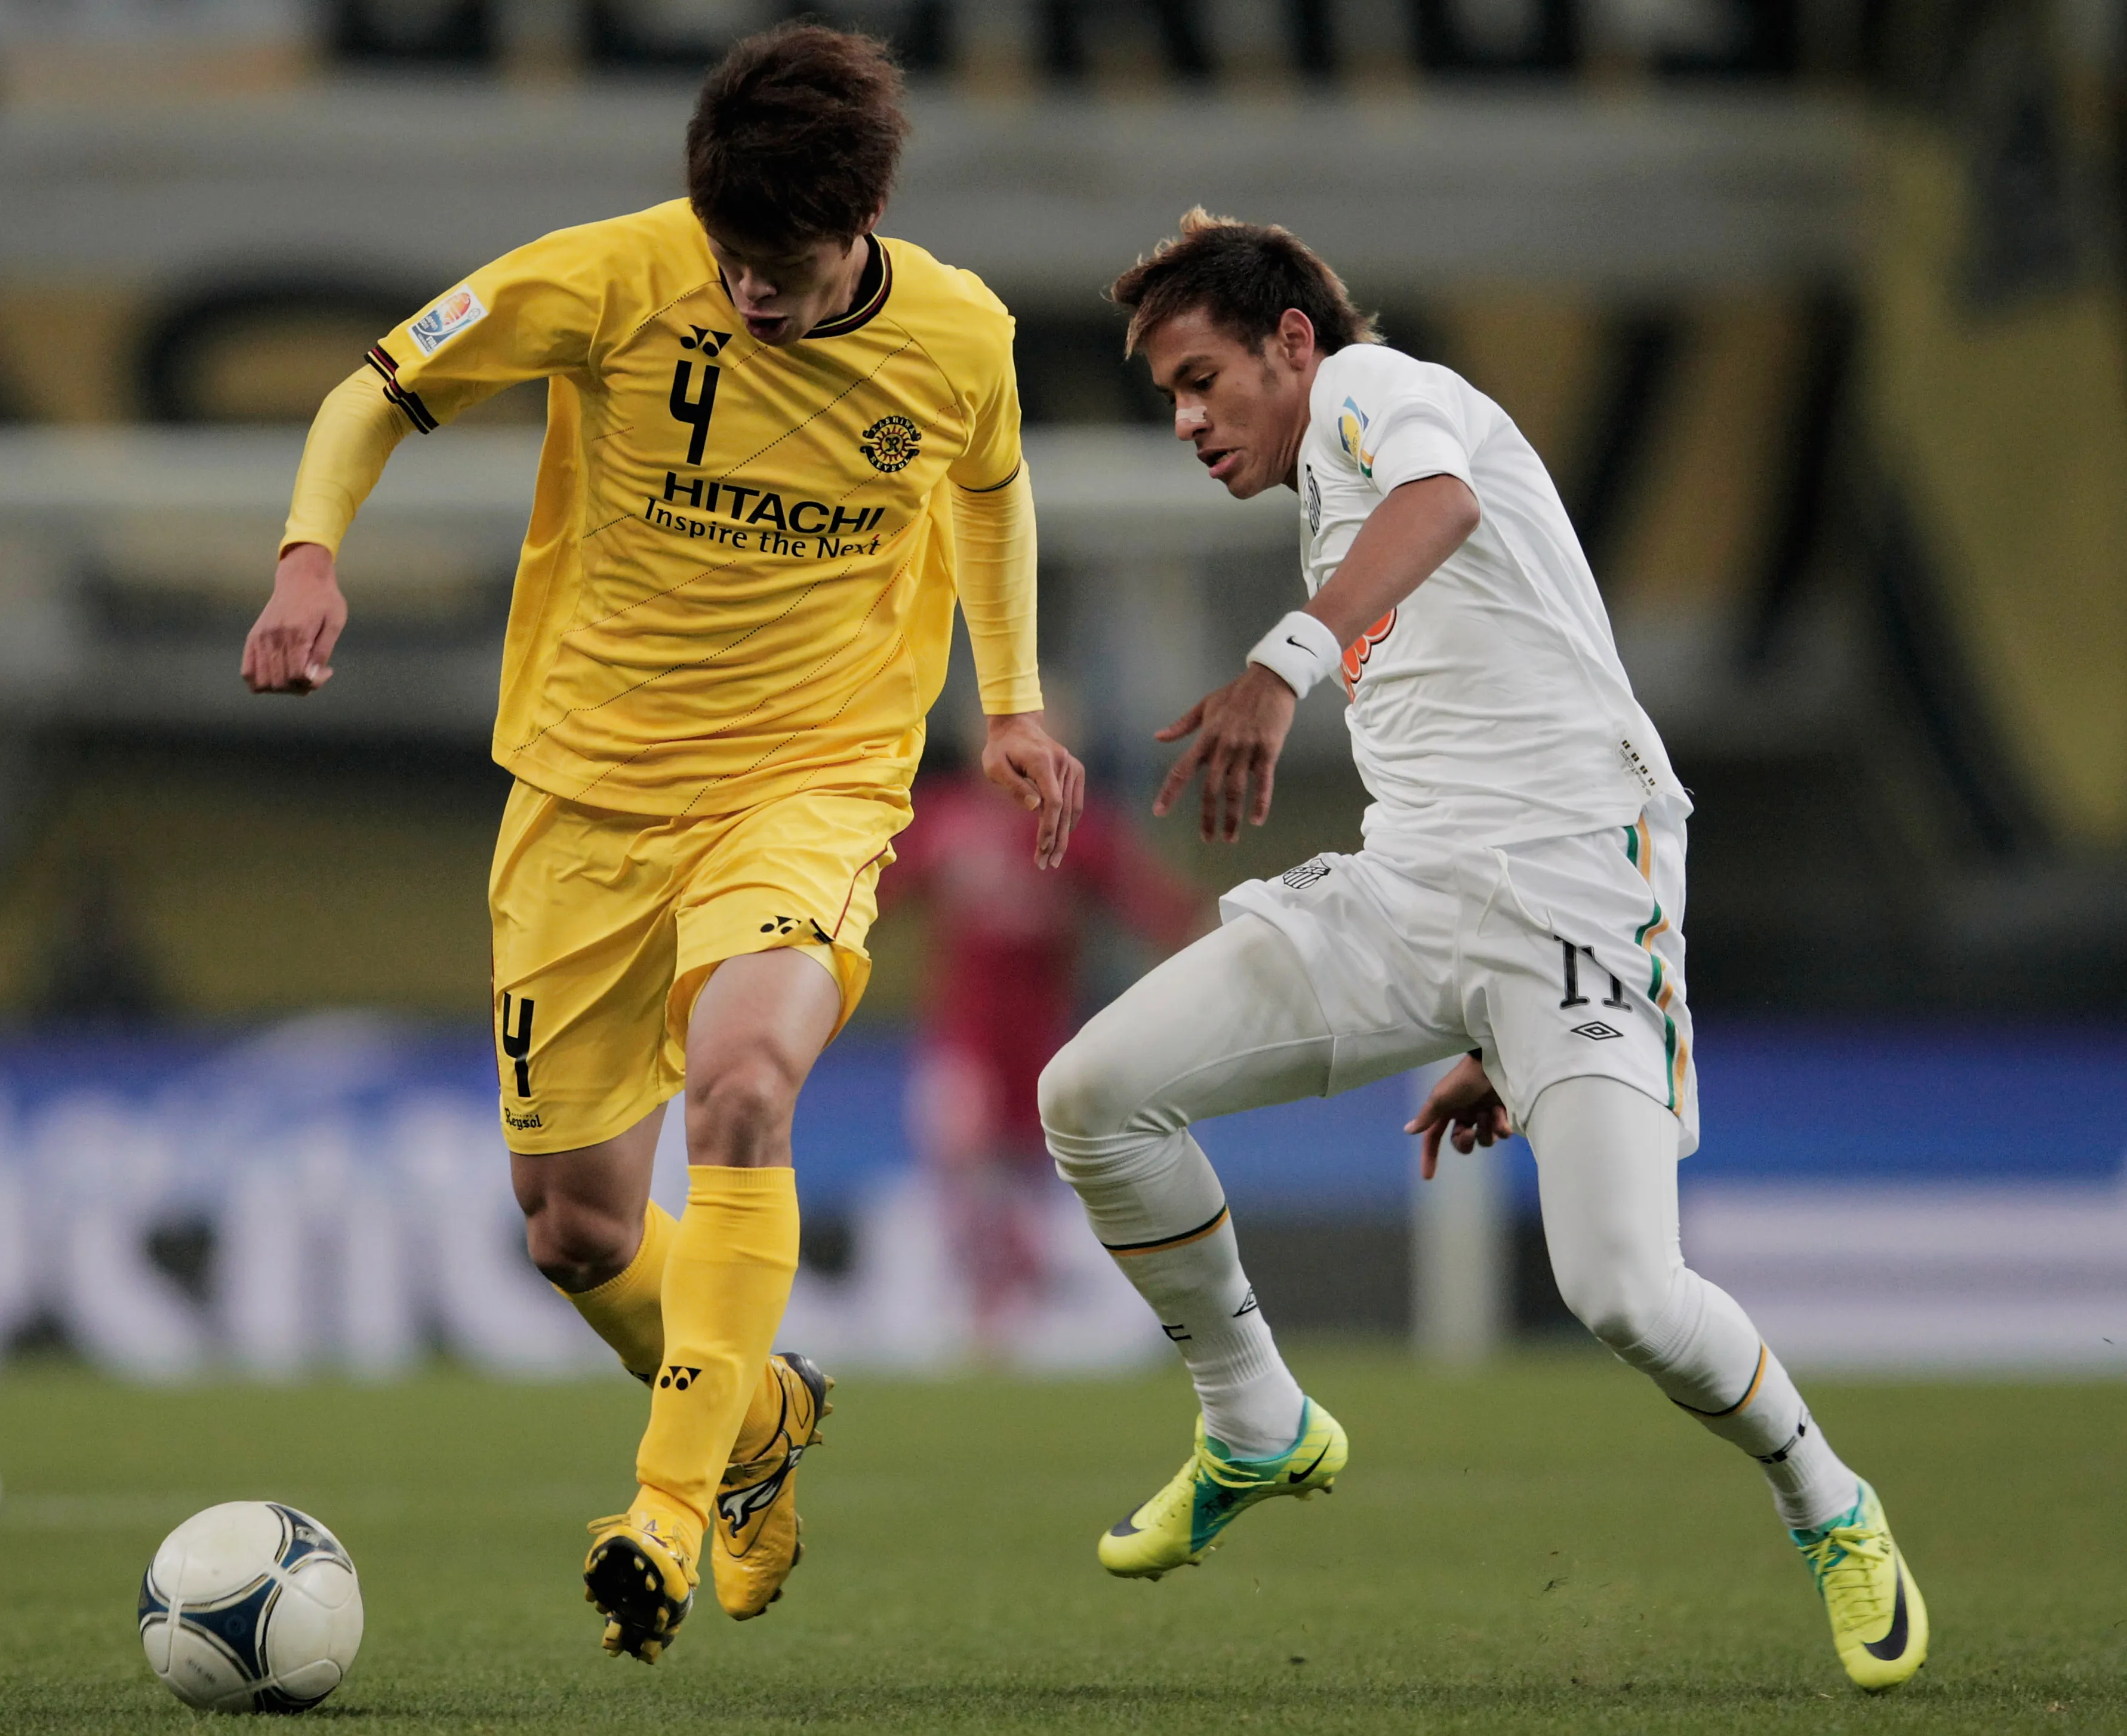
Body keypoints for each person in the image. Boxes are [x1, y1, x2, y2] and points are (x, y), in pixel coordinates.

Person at [241, 24, 1082, 1665]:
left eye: (776, 267)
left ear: (862, 223)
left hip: (811, 782)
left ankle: (670, 1513)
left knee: (746, 1083)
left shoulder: (958, 336)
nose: (745, 293)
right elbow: (379, 386)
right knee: (575, 1232)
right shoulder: (614, 277)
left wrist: (1013, 698)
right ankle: (761, 1411)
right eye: (727, 256)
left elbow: (991, 485)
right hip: (583, 798)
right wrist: (304, 556)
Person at [1036, 210, 1926, 1694]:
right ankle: (1254, 1415)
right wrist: (1476, 1022)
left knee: (1626, 1292)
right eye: (1169, 398)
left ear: (1294, 343)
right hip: (1413, 900)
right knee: (1092, 1094)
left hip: (1579, 892)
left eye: (1203, 379)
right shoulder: (1326, 480)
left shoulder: (1388, 393)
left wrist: (1280, 664)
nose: (1189, 420)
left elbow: (1441, 504)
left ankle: (1830, 1502)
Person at [881, 721, 1203, 1352]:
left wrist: (1209, 950)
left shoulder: (1074, 829)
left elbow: (1150, 904)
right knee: (960, 1146)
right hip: (962, 1038)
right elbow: (871, 898)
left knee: (1026, 1183)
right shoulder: (946, 823)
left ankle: (1015, 1306)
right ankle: (980, 1304)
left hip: (1038, 1042)